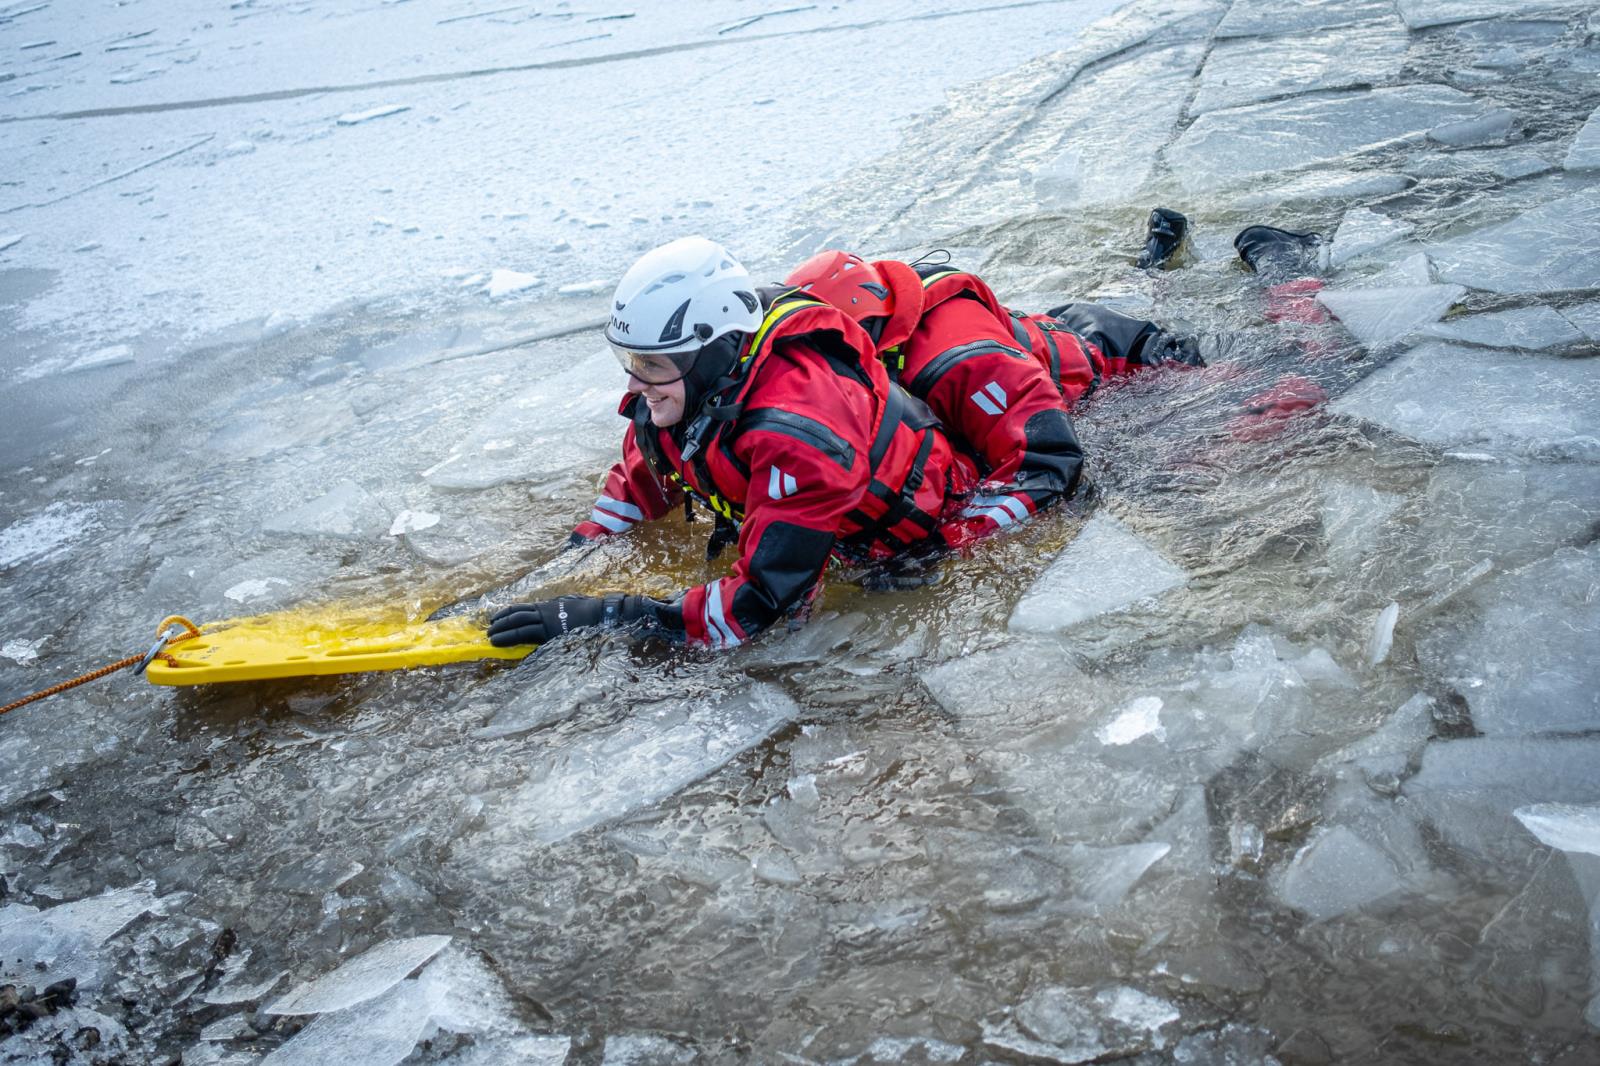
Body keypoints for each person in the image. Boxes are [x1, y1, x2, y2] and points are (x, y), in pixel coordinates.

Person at [486, 236, 982, 651]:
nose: (634, 385)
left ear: (714, 352)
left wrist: (614, 615)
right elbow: (636, 488)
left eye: (652, 365)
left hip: (914, 545)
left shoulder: (800, 433)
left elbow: (765, 602)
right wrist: (545, 576)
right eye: (630, 360)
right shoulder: (684, 387)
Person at [781, 246, 1202, 543]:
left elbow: (1050, 463)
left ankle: (1236, 263)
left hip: (1130, 364)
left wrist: (950, 541)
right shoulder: (888, 343)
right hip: (1063, 334)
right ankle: (1154, 262)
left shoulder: (960, 361)